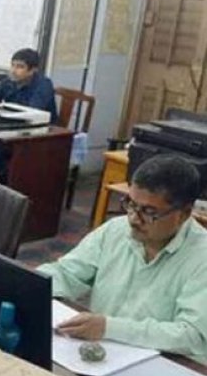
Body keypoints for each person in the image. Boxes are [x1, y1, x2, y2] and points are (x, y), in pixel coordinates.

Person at [38, 155, 207, 361]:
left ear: (184, 214)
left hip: (167, 365)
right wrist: (30, 285)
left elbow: (193, 336)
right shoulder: (116, 230)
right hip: (103, 355)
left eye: (149, 211)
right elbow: (67, 273)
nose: (134, 219)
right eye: (131, 204)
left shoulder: (201, 256)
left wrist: (109, 328)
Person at [0, 48, 57, 122]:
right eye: (12, 65)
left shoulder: (44, 85)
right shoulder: (9, 81)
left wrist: (0, 107)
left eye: (20, 67)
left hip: (42, 129)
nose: (13, 71)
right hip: (13, 123)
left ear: (32, 70)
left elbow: (30, 113)